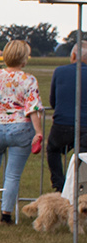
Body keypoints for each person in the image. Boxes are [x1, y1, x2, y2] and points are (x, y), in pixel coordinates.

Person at [0, 40, 44, 224]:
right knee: (12, 175)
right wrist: (38, 132)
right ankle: (5, 215)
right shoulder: (28, 80)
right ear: (24, 59)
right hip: (20, 128)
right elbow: (32, 108)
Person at [46, 42, 83, 192]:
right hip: (85, 126)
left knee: (53, 150)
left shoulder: (59, 71)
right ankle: (80, 188)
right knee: (83, 158)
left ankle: (59, 185)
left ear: (73, 55)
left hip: (61, 124)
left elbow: (52, 101)